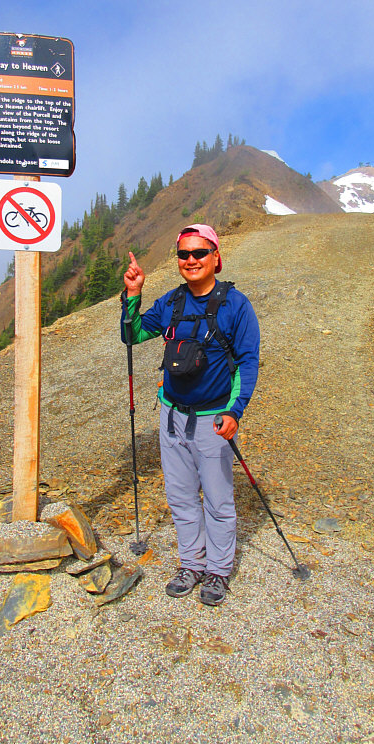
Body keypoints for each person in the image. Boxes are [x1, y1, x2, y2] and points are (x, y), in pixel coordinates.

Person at [121, 224, 260, 606]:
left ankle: (218, 570)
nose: (191, 260)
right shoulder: (171, 302)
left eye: (199, 253)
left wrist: (235, 411)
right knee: (181, 497)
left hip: (214, 421)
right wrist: (133, 294)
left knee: (217, 501)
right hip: (172, 417)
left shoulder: (236, 306)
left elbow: (248, 362)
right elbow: (133, 335)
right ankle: (191, 564)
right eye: (184, 254)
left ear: (216, 257)